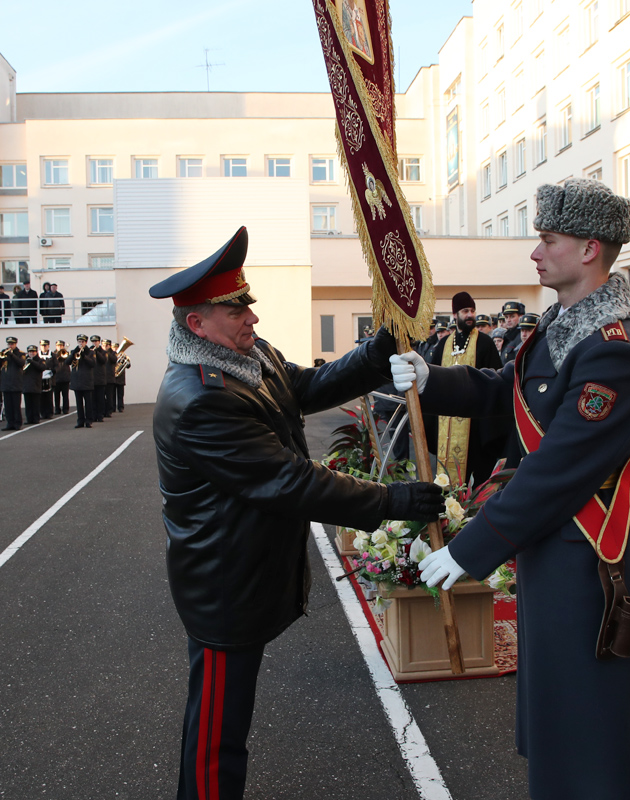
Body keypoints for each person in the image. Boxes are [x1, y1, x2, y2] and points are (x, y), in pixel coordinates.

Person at [149, 226, 443, 800]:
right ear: (197, 324)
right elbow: (288, 481)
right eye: (236, 310)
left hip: (249, 567)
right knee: (216, 738)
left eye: (248, 305)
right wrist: (390, 501)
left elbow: (308, 386)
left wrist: (382, 345)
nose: (251, 319)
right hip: (224, 585)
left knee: (226, 726)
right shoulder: (200, 398)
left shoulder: (247, 358)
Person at [397, 178, 630, 800]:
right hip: (554, 545)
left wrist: (470, 548)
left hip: (587, 554)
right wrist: (432, 377)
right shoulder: (565, 326)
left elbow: (559, 468)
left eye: (548, 239)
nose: (535, 252)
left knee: (589, 715)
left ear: (591, 249)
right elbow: (503, 389)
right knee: (560, 705)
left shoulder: (616, 350)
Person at [428, 290, 504, 486]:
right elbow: (433, 381)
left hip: (477, 427)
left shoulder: (485, 343)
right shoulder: (444, 344)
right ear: (455, 315)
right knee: (447, 480)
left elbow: (495, 382)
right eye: (464, 311)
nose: (470, 315)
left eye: (472, 310)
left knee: (479, 479)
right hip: (447, 424)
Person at [68, 334, 97, 427]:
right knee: (79, 404)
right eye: (79, 341)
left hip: (87, 381)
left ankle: (89, 420)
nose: (81, 343)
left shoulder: (91, 352)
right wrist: (74, 353)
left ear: (86, 342)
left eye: (83, 342)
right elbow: (67, 362)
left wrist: (84, 356)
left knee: (88, 403)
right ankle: (80, 421)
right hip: (77, 381)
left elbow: (92, 363)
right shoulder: (74, 351)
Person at [0, 336, 24, 430]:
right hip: (6, 383)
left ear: (15, 344)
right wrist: (1, 358)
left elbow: (21, 363)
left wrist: (12, 355)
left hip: (16, 383)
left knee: (16, 405)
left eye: (12, 344)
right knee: (8, 406)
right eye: (9, 344)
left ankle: (17, 423)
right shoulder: (5, 354)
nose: (10, 346)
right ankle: (10, 423)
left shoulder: (20, 354)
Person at [22, 344, 45, 425]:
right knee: (28, 404)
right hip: (26, 385)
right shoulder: (25, 360)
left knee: (35, 403)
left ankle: (36, 418)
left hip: (35, 385)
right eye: (30, 352)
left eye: (33, 352)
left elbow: (42, 368)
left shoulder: (40, 360)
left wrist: (32, 362)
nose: (32, 353)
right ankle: (29, 419)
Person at [91, 335, 108, 422]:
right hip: (92, 379)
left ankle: (100, 415)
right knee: (92, 399)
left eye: (96, 341)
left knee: (100, 399)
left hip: (100, 379)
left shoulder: (103, 351)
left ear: (99, 342)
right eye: (93, 341)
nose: (94, 343)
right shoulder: (89, 350)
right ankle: (93, 415)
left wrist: (97, 352)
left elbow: (103, 361)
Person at [52, 340, 71, 414]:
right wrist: (56, 356)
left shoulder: (66, 353)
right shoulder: (53, 354)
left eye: (61, 346)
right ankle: (57, 409)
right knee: (56, 395)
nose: (59, 347)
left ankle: (66, 409)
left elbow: (69, 361)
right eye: (58, 346)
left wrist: (63, 354)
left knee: (65, 395)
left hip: (65, 377)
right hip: (56, 377)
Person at [37, 339, 54, 420]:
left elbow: (56, 365)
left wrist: (53, 371)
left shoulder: (52, 355)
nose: (44, 347)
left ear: (48, 346)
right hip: (40, 377)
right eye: (42, 346)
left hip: (49, 377)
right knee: (41, 397)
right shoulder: (37, 355)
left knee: (49, 396)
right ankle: (42, 412)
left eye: (45, 345)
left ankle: (49, 412)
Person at [101, 337, 118, 416]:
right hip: (102, 377)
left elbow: (114, 360)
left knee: (109, 396)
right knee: (102, 396)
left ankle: (109, 411)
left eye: (107, 345)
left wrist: (107, 352)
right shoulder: (100, 352)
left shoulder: (113, 353)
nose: (105, 346)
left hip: (110, 378)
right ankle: (103, 410)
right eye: (104, 345)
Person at [113, 344, 128, 413]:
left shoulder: (123, 356)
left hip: (121, 377)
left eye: (116, 348)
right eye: (114, 348)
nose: (116, 349)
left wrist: (126, 361)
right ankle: (113, 407)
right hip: (113, 377)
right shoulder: (111, 355)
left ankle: (120, 407)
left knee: (120, 394)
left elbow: (128, 365)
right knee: (112, 394)